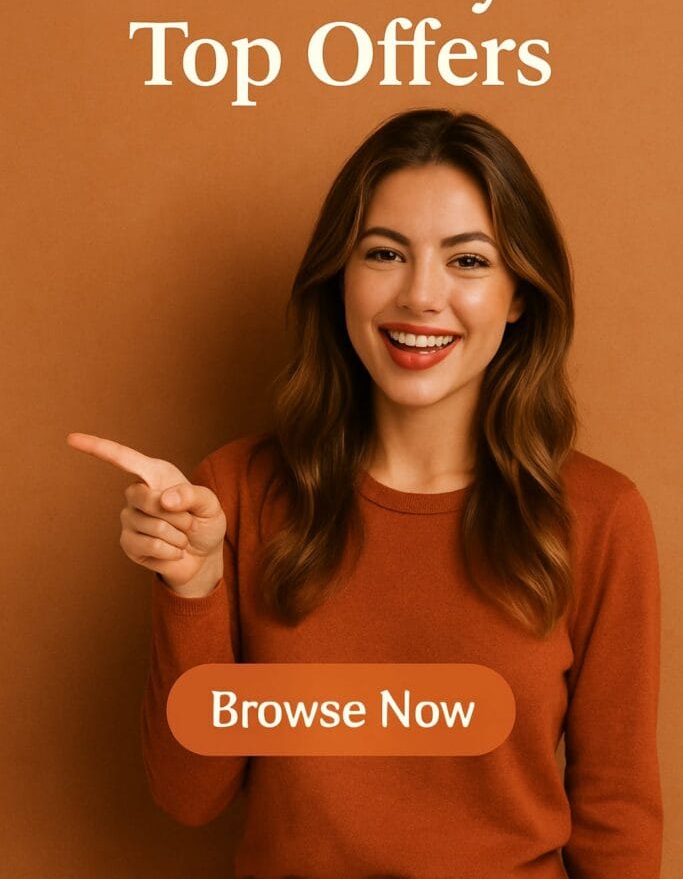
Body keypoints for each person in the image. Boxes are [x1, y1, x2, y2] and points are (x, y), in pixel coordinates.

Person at [67, 108, 662, 878]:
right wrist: (195, 589)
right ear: (338, 278)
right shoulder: (234, 495)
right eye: (384, 253)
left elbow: (616, 812)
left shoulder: (599, 516)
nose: (421, 295)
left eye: (468, 261)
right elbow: (191, 796)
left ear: (519, 294)